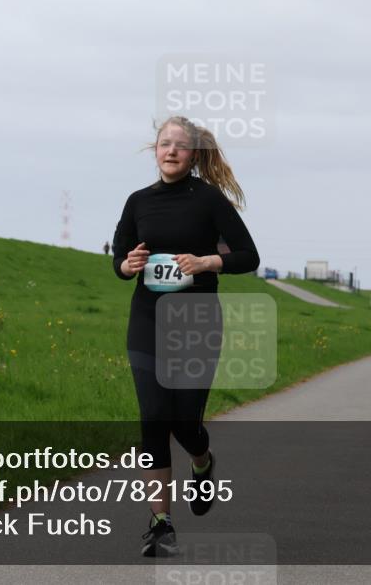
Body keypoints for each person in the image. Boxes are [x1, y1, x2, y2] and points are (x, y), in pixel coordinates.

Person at [112, 116, 259, 557]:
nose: (170, 151)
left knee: (184, 424)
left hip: (196, 321)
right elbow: (119, 257)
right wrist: (127, 266)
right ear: (154, 151)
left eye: (179, 145)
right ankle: (161, 524)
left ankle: (202, 461)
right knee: (153, 418)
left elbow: (249, 256)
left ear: (194, 155)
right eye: (163, 144)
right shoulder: (138, 201)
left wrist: (206, 262)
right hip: (147, 320)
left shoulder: (209, 200)